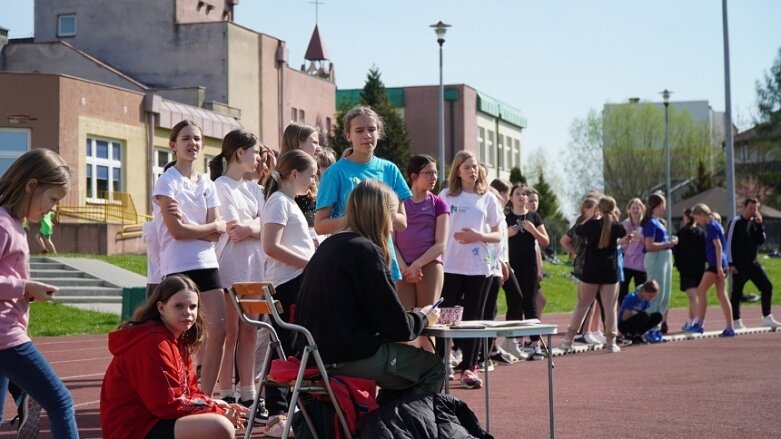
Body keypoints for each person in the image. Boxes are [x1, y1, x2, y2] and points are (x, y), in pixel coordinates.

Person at [296, 180, 445, 403]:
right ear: (380, 215)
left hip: (313, 354)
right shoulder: (364, 251)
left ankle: (384, 423)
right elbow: (397, 327)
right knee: (432, 367)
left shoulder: (328, 246)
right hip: (348, 356)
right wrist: (424, 317)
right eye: (392, 216)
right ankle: (394, 427)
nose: (393, 225)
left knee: (402, 365)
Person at [100, 275, 248, 439]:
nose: (188, 312)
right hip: (133, 429)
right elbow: (166, 404)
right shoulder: (154, 342)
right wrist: (216, 410)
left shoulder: (177, 340)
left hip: (152, 419)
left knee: (220, 415)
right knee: (219, 427)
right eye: (179, 306)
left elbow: (189, 391)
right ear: (161, 308)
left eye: (193, 306)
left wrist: (216, 405)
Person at [0, 149, 78, 438]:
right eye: (53, 199)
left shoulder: (14, 227)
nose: (53, 208)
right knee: (60, 402)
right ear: (31, 185)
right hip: (6, 338)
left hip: (7, 335)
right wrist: (23, 287)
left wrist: (26, 292)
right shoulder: (4, 226)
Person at [153, 119, 227, 397]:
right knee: (180, 335)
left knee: (219, 330)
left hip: (207, 264)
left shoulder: (207, 183)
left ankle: (205, 396)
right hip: (178, 267)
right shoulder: (167, 182)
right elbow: (177, 231)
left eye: (196, 138)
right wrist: (207, 228)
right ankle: (179, 392)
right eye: (185, 138)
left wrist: (197, 228)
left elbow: (218, 231)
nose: (192, 143)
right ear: (173, 145)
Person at [208, 129, 267, 416]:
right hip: (230, 269)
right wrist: (255, 226)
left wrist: (254, 227)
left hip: (255, 269)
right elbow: (233, 230)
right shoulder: (222, 185)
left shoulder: (256, 189)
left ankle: (249, 394)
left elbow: (268, 224)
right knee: (231, 331)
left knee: (251, 332)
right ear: (239, 153)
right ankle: (226, 391)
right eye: (255, 152)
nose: (258, 158)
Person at [314, 105, 410, 282]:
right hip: (348, 258)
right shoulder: (335, 173)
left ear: (379, 133)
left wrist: (380, 213)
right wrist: (358, 216)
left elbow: (403, 223)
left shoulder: (390, 169)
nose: (367, 135)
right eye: (359, 130)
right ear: (348, 135)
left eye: (372, 129)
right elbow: (320, 225)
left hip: (383, 257)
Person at [261, 149, 318, 421]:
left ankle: (287, 407)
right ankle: (278, 411)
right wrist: (308, 263)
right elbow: (271, 246)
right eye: (310, 175)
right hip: (288, 283)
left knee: (292, 345)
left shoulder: (289, 202)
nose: (313, 181)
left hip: (296, 281)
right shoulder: (279, 202)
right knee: (286, 345)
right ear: (294, 174)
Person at [438, 151, 501, 389]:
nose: (472, 171)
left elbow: (498, 234)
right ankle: (442, 363)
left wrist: (478, 236)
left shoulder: (488, 198)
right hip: (451, 264)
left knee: (475, 318)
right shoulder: (446, 195)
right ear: (457, 171)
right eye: (467, 167)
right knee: (445, 316)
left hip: (478, 267)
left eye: (474, 167)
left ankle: (470, 367)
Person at [393, 155, 449, 352]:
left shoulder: (439, 204)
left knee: (428, 322)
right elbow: (390, 240)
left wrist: (417, 264)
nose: (434, 176)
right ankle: (404, 373)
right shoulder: (398, 202)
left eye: (435, 172)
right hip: (402, 268)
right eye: (429, 172)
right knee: (402, 323)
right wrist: (405, 267)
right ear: (414, 175)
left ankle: (431, 373)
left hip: (429, 266)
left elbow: (441, 243)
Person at [560, 196, 626, 353]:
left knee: (582, 304)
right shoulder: (617, 226)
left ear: (599, 209)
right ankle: (611, 341)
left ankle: (568, 339)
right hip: (609, 270)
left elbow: (578, 229)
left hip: (591, 269)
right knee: (610, 307)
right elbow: (622, 232)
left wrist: (591, 215)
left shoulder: (592, 225)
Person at [503, 184, 549, 359]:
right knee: (515, 302)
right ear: (511, 198)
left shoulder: (534, 217)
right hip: (511, 265)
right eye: (518, 194)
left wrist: (533, 230)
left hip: (529, 266)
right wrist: (506, 234)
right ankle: (513, 343)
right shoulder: (505, 218)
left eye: (524, 194)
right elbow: (496, 240)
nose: (522, 197)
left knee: (530, 303)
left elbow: (545, 241)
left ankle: (536, 344)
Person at [727, 197, 780, 329]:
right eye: (751, 208)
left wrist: (760, 225)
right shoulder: (736, 222)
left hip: (753, 263)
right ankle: (736, 321)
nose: (753, 211)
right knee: (737, 292)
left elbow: (760, 241)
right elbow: (728, 243)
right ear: (744, 208)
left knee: (767, 286)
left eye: (755, 208)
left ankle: (767, 317)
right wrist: (730, 263)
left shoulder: (755, 223)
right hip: (739, 264)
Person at [687, 203, 735, 336]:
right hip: (720, 263)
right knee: (721, 295)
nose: (697, 221)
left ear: (702, 215)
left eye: (697, 218)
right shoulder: (715, 225)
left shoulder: (712, 226)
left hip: (716, 264)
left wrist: (719, 267)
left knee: (701, 291)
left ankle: (699, 323)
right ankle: (730, 327)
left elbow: (718, 246)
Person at [640, 193, 676, 342]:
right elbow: (649, 245)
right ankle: (648, 328)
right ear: (659, 204)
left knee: (665, 295)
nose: (665, 207)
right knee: (655, 294)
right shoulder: (650, 223)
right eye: (663, 204)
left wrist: (670, 242)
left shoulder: (659, 222)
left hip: (665, 258)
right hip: (656, 259)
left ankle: (656, 327)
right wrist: (668, 244)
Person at [280, 122, 322, 228]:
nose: (319, 148)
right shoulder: (279, 178)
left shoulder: (312, 173)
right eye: (315, 142)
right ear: (299, 143)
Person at [673, 208, 706, 331]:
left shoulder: (681, 233)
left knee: (693, 297)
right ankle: (691, 321)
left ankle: (698, 322)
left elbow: (676, 252)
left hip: (687, 269)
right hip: (699, 268)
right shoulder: (701, 233)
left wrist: (679, 266)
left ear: (686, 218)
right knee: (694, 297)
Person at [619, 198, 647, 305]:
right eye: (633, 208)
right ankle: (623, 310)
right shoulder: (625, 224)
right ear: (629, 210)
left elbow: (649, 243)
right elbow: (620, 242)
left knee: (640, 288)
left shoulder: (646, 224)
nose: (635, 210)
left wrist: (640, 238)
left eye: (638, 208)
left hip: (641, 262)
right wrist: (626, 239)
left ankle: (638, 310)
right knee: (622, 288)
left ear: (642, 209)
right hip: (627, 261)